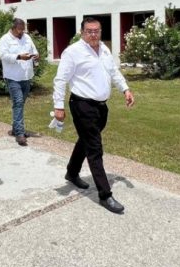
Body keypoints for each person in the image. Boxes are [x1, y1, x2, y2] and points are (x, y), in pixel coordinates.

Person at [53, 17, 135, 214]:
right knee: (95, 148)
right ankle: (105, 195)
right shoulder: (72, 52)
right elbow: (60, 79)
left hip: (101, 107)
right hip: (82, 105)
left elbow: (114, 72)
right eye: (89, 31)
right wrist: (58, 105)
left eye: (97, 31)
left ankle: (72, 173)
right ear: (82, 32)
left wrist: (125, 89)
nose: (93, 34)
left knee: (86, 140)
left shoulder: (104, 49)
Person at [0, 18, 38, 146]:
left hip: (26, 76)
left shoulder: (27, 38)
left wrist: (36, 55)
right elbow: (3, 56)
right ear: (13, 28)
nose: (22, 32)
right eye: (20, 30)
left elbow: (34, 50)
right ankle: (20, 133)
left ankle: (15, 129)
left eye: (23, 29)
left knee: (20, 103)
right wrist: (19, 57)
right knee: (18, 102)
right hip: (12, 77)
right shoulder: (5, 40)